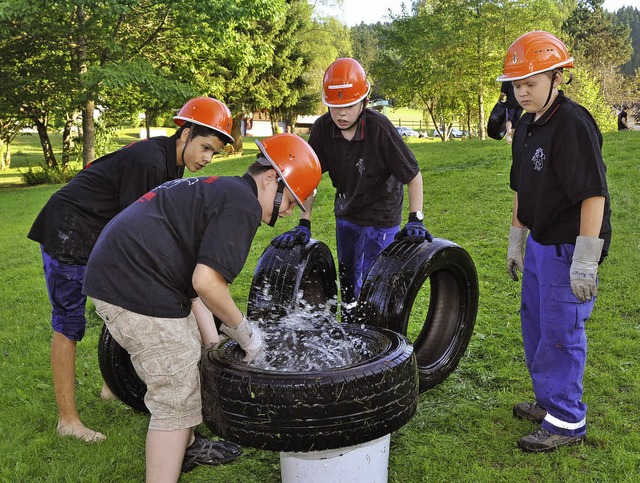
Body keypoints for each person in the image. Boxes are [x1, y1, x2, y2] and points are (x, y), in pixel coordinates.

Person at [83, 133, 321, 480]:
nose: (287, 213)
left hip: (125, 272)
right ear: (272, 178)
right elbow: (207, 282)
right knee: (175, 397)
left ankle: (187, 445)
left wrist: (212, 347)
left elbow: (195, 287)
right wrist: (246, 334)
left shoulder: (226, 191)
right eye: (290, 203)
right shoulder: (243, 205)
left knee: (186, 362)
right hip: (133, 284)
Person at [27, 97, 235, 443]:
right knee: (69, 323)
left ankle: (110, 386)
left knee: (121, 302)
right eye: (204, 147)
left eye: (212, 153)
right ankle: (68, 421)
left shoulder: (173, 161)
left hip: (101, 232)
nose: (206, 159)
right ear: (184, 132)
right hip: (70, 231)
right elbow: (137, 231)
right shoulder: (150, 163)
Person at [498, 31, 611, 453]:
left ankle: (566, 420)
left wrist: (585, 259)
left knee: (562, 331)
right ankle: (550, 403)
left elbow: (593, 194)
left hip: (569, 246)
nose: (522, 92)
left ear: (556, 77)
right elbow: (520, 188)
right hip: (541, 242)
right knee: (539, 327)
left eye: (530, 83)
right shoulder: (526, 125)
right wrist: (516, 239)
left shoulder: (573, 123)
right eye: (516, 84)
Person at [272, 57, 431, 322]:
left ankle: (377, 328)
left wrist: (416, 218)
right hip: (346, 211)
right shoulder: (323, 129)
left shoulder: (380, 129)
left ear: (363, 102)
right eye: (334, 107)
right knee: (347, 275)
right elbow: (309, 178)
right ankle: (350, 322)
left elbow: (413, 175)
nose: (341, 114)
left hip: (382, 212)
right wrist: (304, 223)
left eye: (348, 106)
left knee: (375, 276)